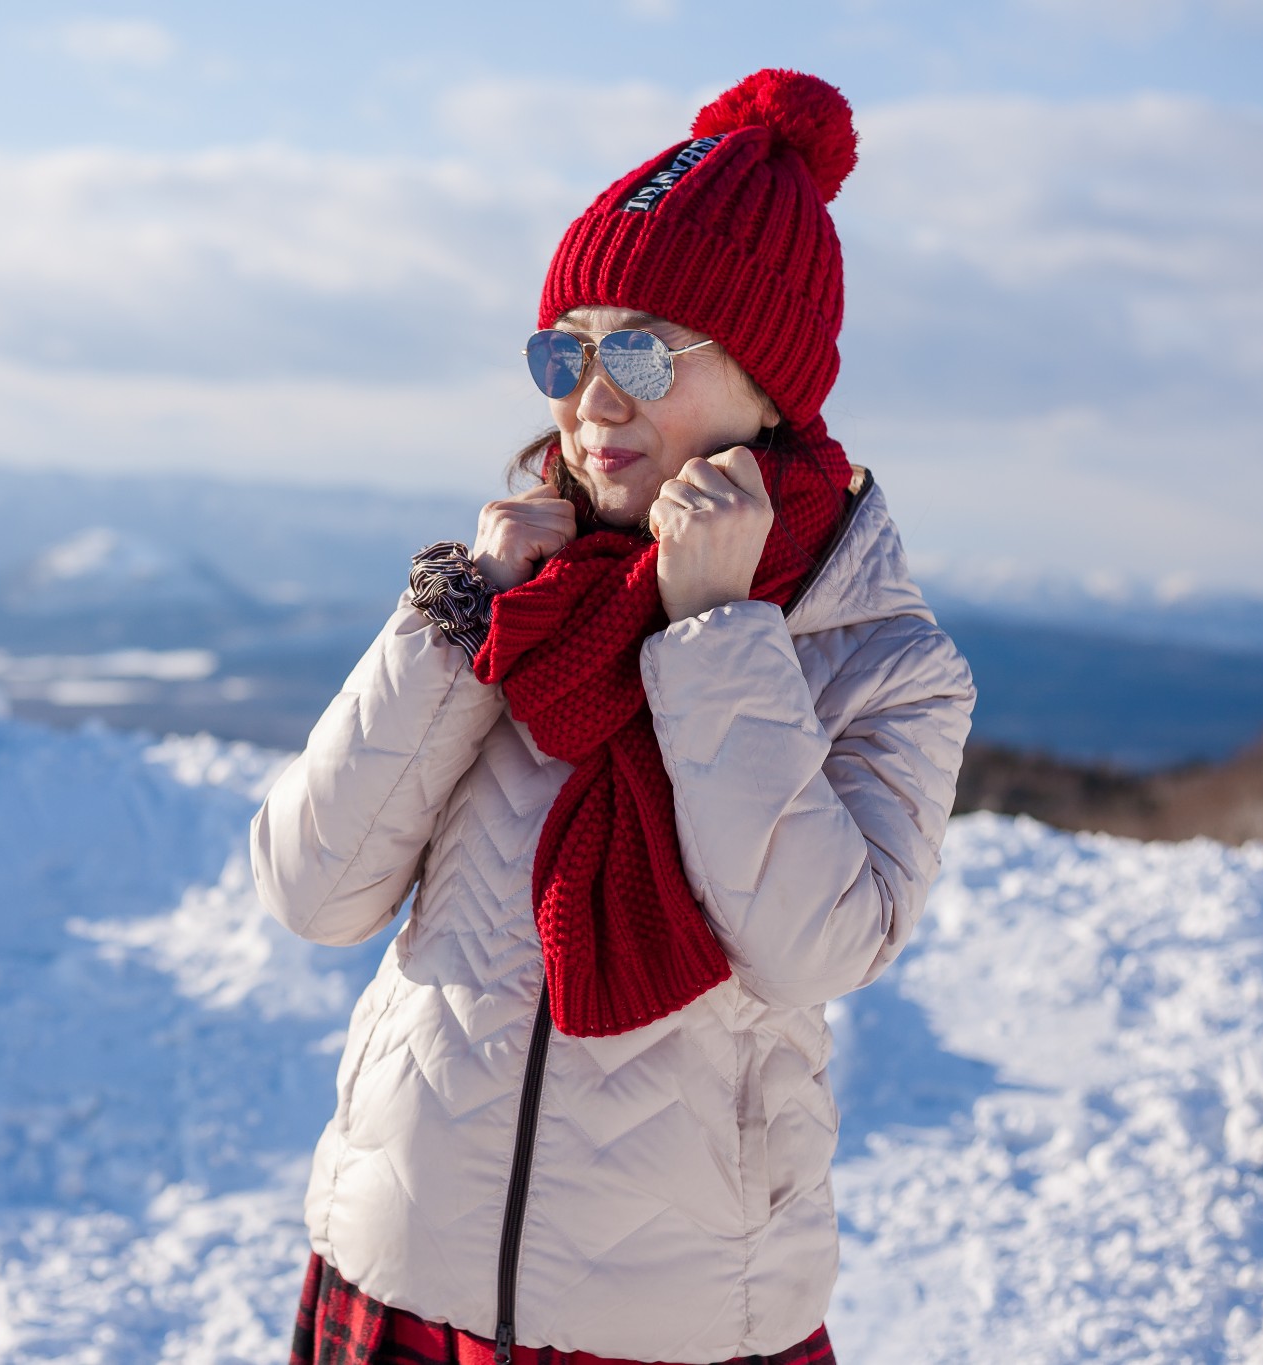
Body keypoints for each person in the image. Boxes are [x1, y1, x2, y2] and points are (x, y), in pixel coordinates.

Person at [251, 68, 975, 1365]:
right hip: (399, 1269)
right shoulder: (513, 604)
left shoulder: (877, 656)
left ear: (770, 383)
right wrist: (453, 625)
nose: (591, 397)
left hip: (676, 1325)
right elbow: (313, 891)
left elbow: (817, 944)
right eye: (564, 350)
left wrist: (716, 640)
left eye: (641, 347)